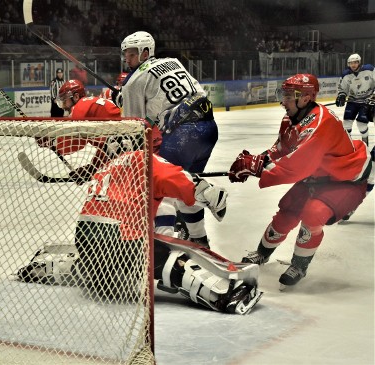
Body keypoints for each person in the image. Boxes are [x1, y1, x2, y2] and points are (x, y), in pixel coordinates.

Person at [19, 101, 260, 313]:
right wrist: (216, 198)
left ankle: (46, 268)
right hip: (119, 237)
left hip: (86, 235)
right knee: (165, 257)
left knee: (100, 265)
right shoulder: (146, 160)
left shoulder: (108, 166)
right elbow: (190, 187)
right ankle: (222, 294)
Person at [228, 74, 371, 289]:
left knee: (313, 214)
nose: (282, 101)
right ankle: (262, 253)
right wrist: (256, 160)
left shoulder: (320, 122)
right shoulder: (290, 120)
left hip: (345, 180)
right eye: (283, 94)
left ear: (305, 98)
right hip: (318, 176)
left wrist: (256, 167)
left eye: (287, 96)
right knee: (287, 212)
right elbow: (280, 150)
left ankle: (299, 266)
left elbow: (295, 167)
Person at [119, 31, 219, 247]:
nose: (127, 59)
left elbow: (135, 126)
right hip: (209, 128)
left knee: (159, 188)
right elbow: (192, 94)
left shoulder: (132, 83)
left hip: (183, 135)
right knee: (182, 189)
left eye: (132, 54)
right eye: (125, 54)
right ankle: (200, 240)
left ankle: (163, 248)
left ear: (146, 52)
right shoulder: (172, 62)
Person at [335, 53, 375, 146]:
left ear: (359, 62)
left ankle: (365, 144)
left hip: (367, 101)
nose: (353, 65)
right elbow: (342, 88)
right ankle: (347, 146)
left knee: (361, 124)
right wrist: (341, 96)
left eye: (355, 62)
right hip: (352, 101)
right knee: (346, 124)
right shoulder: (346, 74)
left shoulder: (369, 69)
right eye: (351, 63)